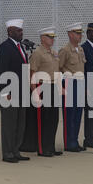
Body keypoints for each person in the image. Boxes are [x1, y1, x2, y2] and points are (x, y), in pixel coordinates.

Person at [0, 19, 30, 163]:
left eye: (21, 30)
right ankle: (7, 153)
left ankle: (16, 150)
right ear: (10, 32)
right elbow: (1, 71)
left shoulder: (21, 47)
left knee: (20, 124)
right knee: (9, 124)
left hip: (22, 92)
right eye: (18, 30)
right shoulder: (5, 47)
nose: (21, 33)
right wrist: (5, 92)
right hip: (9, 92)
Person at [29, 27, 63, 157]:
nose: (52, 39)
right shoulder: (37, 53)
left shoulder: (53, 53)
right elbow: (32, 73)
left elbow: (57, 72)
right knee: (43, 120)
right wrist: (35, 93)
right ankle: (42, 149)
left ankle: (51, 146)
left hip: (53, 87)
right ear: (43, 38)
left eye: (53, 37)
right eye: (50, 37)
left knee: (53, 119)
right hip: (42, 87)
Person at [59, 23, 87, 152]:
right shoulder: (65, 50)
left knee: (77, 114)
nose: (80, 35)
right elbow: (58, 68)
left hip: (80, 84)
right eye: (77, 33)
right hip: (70, 84)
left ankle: (74, 140)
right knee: (69, 115)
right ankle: (69, 143)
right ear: (70, 34)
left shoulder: (80, 50)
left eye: (81, 33)